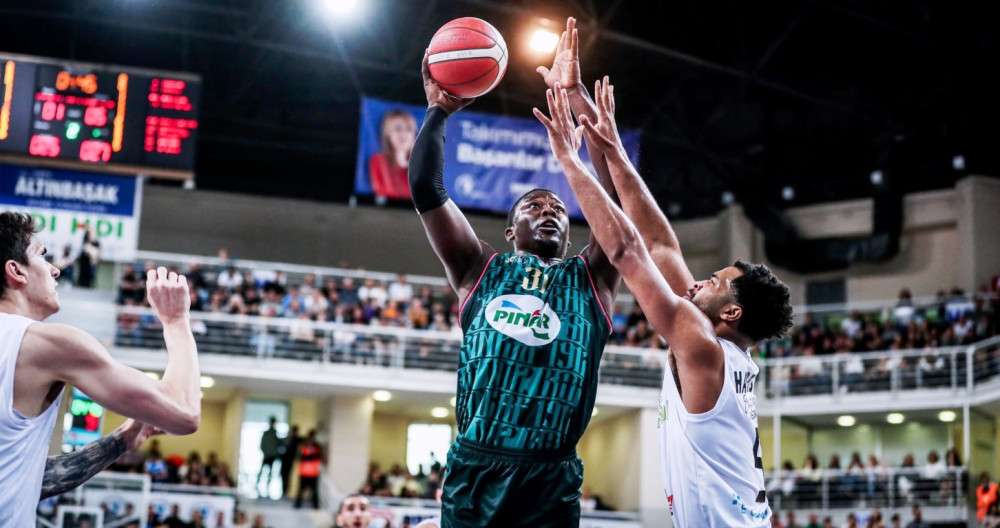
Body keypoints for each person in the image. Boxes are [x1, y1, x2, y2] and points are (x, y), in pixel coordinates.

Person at [534, 25, 792, 527]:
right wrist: (587, 112)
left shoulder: (701, 346)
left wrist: (568, 157)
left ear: (731, 311)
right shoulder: (716, 347)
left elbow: (628, 251)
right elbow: (659, 244)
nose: (698, 282)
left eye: (713, 282)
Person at [408, 20, 620, 528]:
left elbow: (617, 202)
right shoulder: (479, 267)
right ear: (510, 231)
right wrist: (438, 110)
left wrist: (580, 107)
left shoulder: (592, 277)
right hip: (476, 468)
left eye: (558, 208)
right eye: (534, 206)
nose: (549, 211)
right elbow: (426, 188)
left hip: (550, 476)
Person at [0, 212, 201, 526]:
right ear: (16, 271)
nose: (55, 269)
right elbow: (184, 412)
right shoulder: (46, 344)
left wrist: (122, 439)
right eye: (42, 256)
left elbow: (26, 479)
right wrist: (176, 322)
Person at [369, 109, 418, 201]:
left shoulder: (420, 164)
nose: (403, 134)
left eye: (409, 129)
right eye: (398, 129)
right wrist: (400, 154)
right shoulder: (378, 160)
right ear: (387, 134)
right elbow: (384, 192)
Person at [295, 429, 322, 509]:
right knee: (301, 489)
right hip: (305, 472)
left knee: (313, 490)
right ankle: (298, 504)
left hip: (312, 472)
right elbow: (300, 457)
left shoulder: (316, 446)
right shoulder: (304, 446)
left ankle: (315, 505)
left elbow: (318, 457)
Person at [256, 416, 281, 494]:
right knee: (262, 472)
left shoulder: (275, 433)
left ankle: (267, 488)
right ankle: (257, 487)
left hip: (271, 456)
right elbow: (262, 445)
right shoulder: (267, 433)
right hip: (267, 456)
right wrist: (267, 453)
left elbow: (278, 444)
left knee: (269, 473)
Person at [280, 424, 302, 498]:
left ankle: (285, 491)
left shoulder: (296, 439)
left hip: (289, 460)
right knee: (284, 475)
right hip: (285, 460)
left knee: (286, 476)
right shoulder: (288, 439)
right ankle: (284, 491)